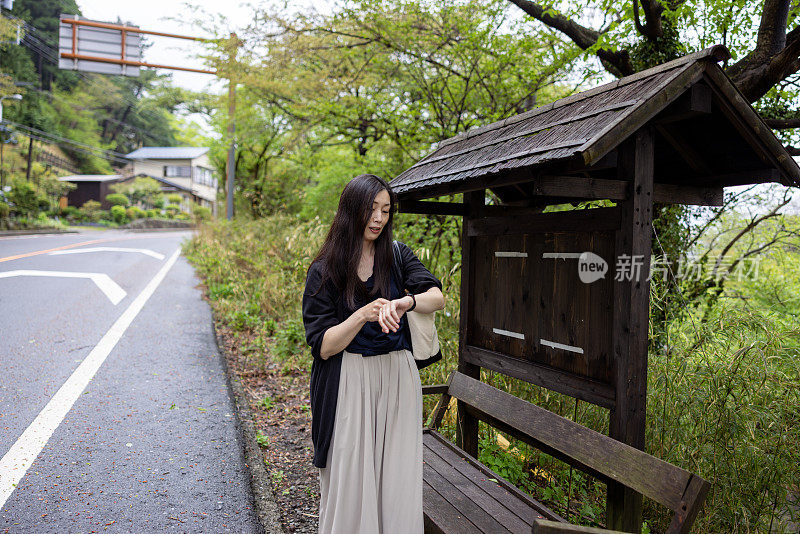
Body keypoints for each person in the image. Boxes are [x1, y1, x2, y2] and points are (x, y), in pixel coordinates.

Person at [302, 173, 445, 533]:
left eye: (386, 210)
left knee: (396, 477)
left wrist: (405, 302)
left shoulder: (396, 256)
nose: (379, 218)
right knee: (352, 477)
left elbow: (437, 297)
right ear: (352, 211)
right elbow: (323, 344)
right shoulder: (324, 270)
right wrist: (362, 314)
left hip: (397, 377)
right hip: (350, 380)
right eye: (371, 209)